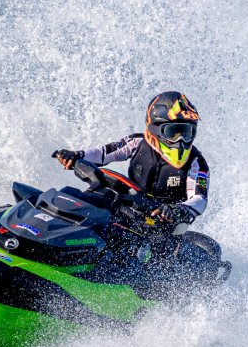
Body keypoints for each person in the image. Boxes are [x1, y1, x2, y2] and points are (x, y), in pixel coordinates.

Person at [52, 91, 210, 270]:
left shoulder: (196, 162)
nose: (181, 140)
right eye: (174, 132)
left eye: (187, 132)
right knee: (75, 195)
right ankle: (42, 238)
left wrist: (176, 210)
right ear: (156, 128)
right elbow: (102, 153)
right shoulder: (136, 142)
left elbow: (199, 199)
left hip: (160, 226)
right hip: (127, 206)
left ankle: (102, 274)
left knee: (129, 243)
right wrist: (77, 155)